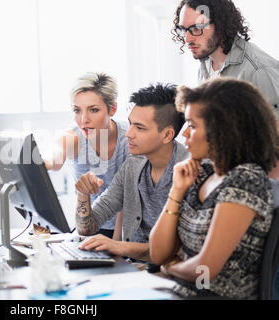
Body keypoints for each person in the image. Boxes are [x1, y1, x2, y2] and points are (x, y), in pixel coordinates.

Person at [149, 78, 278, 299]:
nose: (184, 135)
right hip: (182, 292)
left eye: (191, 125)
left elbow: (205, 272)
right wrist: (177, 191)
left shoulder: (245, 179)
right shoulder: (202, 171)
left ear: (224, 129)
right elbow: (158, 253)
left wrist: (171, 269)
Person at [75, 83, 188, 262]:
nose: (128, 134)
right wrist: (83, 194)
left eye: (139, 127)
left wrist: (119, 247)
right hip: (135, 269)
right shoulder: (133, 164)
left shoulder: (190, 172)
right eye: (129, 124)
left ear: (167, 135)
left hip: (170, 274)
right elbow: (87, 228)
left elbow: (182, 251)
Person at [44, 72, 128, 239]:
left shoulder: (129, 138)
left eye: (94, 110)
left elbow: (127, 202)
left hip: (127, 229)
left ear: (113, 109)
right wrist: (42, 162)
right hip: (88, 226)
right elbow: (55, 157)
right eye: (77, 110)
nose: (83, 120)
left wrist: (118, 247)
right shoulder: (73, 137)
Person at [172, 0, 279, 118]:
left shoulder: (259, 71)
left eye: (196, 28)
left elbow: (274, 132)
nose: (187, 39)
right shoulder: (206, 62)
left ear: (220, 26)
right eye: (183, 29)